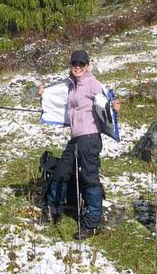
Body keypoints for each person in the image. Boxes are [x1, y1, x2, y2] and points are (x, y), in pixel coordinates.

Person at [38, 50, 121, 240]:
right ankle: (53, 212)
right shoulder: (72, 84)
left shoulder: (92, 83)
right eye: (74, 63)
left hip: (90, 138)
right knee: (61, 172)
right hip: (76, 138)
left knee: (89, 178)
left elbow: (104, 101)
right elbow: (60, 102)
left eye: (81, 64)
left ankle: (91, 224)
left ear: (87, 66)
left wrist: (113, 107)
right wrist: (44, 94)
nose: (78, 67)